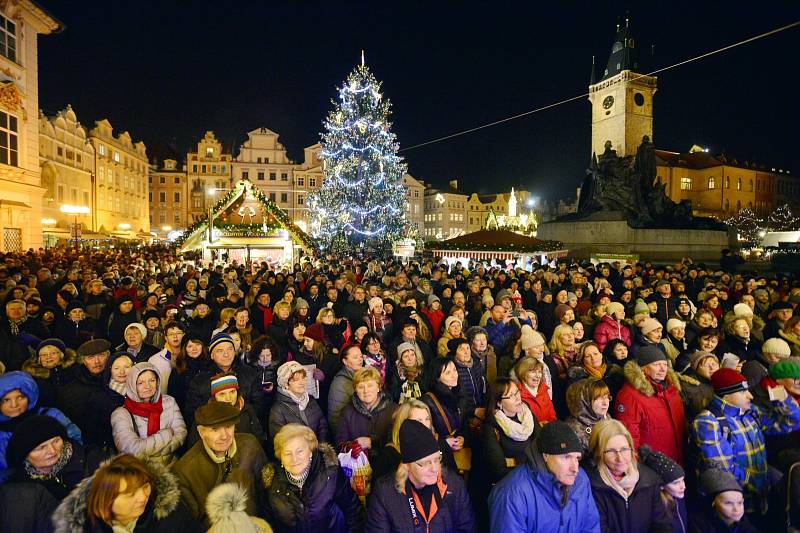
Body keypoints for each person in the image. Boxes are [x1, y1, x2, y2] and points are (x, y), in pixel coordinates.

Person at [692, 368, 800, 515]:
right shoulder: (708, 421)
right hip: (735, 506)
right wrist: (760, 481)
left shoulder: (750, 412)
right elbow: (724, 471)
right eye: (743, 392)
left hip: (761, 500)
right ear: (726, 395)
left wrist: (782, 397)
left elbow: (792, 422)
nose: (750, 396)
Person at [366, 419, 476, 532]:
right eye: (425, 463)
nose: (435, 469)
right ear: (407, 465)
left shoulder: (454, 484)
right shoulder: (386, 492)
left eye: (437, 459)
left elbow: (467, 528)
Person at [488, 420, 600, 531]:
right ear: (545, 456)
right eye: (566, 457)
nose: (575, 468)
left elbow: (591, 527)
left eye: (577, 458)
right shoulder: (511, 494)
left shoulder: (581, 480)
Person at [172, 400, 267, 523]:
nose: (224, 436)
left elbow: (265, 492)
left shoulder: (250, 445)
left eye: (228, 426)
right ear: (201, 432)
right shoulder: (185, 471)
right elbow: (191, 524)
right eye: (215, 429)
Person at [52, 453, 200, 532]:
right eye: (130, 494)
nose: (143, 497)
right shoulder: (82, 527)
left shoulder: (172, 515)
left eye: (145, 486)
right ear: (106, 500)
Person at [262, 423, 364, 532]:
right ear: (280, 457)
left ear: (310, 452)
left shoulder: (330, 472)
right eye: (287, 453)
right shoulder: (272, 483)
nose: (294, 459)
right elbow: (268, 524)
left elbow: (352, 510)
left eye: (299, 451)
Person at [586, 419, 672, 532]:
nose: (620, 459)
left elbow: (662, 526)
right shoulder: (591, 486)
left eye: (624, 449)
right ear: (598, 453)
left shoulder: (649, 480)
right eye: (611, 451)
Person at [0, 371, 82, 482]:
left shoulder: (51, 415)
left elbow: (75, 440)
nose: (14, 405)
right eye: (6, 400)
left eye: (20, 397)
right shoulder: (2, 433)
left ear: (30, 397)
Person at [5, 414, 105, 501]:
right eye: (41, 448)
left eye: (56, 441)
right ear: (25, 455)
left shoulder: (94, 460)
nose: (52, 451)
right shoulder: (18, 488)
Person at [614, 345, 686, 464]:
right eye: (657, 364)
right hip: (652, 467)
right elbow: (629, 437)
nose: (663, 369)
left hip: (677, 464)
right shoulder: (630, 395)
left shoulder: (672, 390)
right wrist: (636, 467)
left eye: (665, 364)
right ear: (642, 368)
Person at [111, 362, 186, 463]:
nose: (148, 386)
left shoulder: (169, 402)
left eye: (152, 380)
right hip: (141, 471)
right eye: (140, 383)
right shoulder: (120, 414)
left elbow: (181, 434)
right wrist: (166, 434)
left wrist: (152, 451)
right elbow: (131, 451)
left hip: (172, 465)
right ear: (132, 385)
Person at [185, 333, 265, 427]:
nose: (226, 354)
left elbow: (259, 404)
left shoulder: (250, 373)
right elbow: (194, 413)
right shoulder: (199, 380)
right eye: (220, 351)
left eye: (230, 349)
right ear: (212, 355)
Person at [482, 378, 540, 483]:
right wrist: (528, 460)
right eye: (511, 395)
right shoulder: (490, 427)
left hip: (536, 472)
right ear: (499, 403)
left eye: (517, 392)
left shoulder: (526, 413)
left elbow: (541, 442)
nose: (518, 398)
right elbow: (498, 469)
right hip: (512, 480)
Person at [57, 339, 114, 448]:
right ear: (84, 361)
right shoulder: (71, 389)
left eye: (101, 355)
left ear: (108, 357)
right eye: (91, 357)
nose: (97, 362)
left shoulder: (118, 379)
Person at [336, 367, 397, 464]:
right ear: (355, 390)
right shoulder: (346, 412)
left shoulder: (394, 410)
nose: (366, 391)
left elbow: (397, 441)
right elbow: (340, 443)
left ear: (378, 387)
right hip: (357, 469)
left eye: (370, 385)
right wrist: (350, 448)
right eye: (361, 387)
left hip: (386, 468)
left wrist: (372, 442)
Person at [269, 361, 329, 443]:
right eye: (296, 380)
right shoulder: (277, 409)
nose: (302, 382)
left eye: (303, 378)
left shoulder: (310, 400)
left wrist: (321, 446)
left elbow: (322, 425)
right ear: (286, 384)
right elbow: (280, 440)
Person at [689, 468, 759, 532]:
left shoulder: (743, 522)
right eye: (728, 503)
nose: (736, 509)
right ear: (713, 503)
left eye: (740, 503)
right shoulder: (699, 523)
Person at [640, 445, 688, 533]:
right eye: (676, 483)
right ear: (661, 485)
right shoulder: (657, 510)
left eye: (683, 480)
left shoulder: (679, 498)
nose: (683, 486)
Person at [21, 338, 78, 408]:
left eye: (53, 353)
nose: (48, 357)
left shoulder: (73, 370)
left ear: (61, 356)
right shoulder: (35, 378)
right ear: (39, 359)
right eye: (44, 355)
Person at [564, 379, 611, 457]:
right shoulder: (573, 430)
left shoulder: (606, 418)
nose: (605, 403)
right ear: (584, 401)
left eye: (607, 397)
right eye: (599, 398)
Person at [327, 344, 364, 434]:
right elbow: (335, 417)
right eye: (355, 357)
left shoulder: (360, 376)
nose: (360, 359)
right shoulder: (339, 383)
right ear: (345, 361)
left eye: (361, 356)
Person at [514, 356, 557, 424]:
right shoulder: (516, 394)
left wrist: (551, 427)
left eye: (539, 372)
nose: (538, 375)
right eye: (533, 372)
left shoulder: (544, 389)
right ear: (522, 374)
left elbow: (552, 414)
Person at [679, 351, 719, 420]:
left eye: (714, 364)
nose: (712, 368)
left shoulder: (719, 380)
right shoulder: (687, 386)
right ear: (696, 368)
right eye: (706, 365)